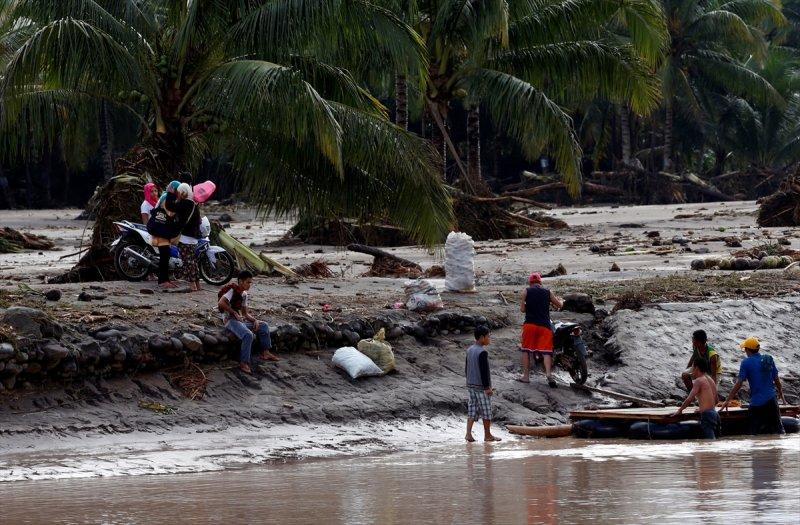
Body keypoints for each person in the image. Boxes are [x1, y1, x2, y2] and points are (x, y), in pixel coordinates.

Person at [720, 337, 786, 435]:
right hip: (771, 401)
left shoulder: (746, 362)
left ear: (747, 350)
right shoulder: (768, 359)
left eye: (745, 349)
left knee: (753, 433)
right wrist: (782, 396)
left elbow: (739, 383)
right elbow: (777, 380)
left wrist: (728, 400)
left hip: (757, 403)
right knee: (779, 432)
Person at [218, 270, 279, 374]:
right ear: (241, 281)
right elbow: (221, 302)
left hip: (239, 321)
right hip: (230, 321)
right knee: (248, 334)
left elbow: (245, 314)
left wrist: (255, 320)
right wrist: (234, 313)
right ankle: (244, 362)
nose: (250, 285)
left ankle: (265, 352)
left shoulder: (244, 294)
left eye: (251, 282)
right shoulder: (232, 291)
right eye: (248, 282)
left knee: (263, 325)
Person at [518, 272, 563, 387]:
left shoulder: (526, 291)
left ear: (530, 282)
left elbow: (522, 309)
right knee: (547, 351)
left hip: (530, 325)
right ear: (540, 282)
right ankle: (548, 374)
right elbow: (559, 305)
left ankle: (526, 377)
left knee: (526, 350)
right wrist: (561, 301)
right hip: (544, 326)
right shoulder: (548, 292)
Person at [465, 325, 500, 442]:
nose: (489, 339)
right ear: (481, 337)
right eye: (488, 337)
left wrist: (469, 380)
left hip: (470, 384)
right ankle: (487, 435)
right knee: (486, 411)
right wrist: (487, 388)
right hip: (481, 387)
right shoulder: (482, 352)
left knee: (472, 409)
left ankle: (468, 434)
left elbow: (466, 367)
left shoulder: (469, 350)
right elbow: (484, 372)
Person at [671, 359, 720, 439]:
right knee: (714, 442)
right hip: (715, 414)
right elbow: (716, 400)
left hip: (707, 415)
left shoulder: (699, 381)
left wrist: (680, 410)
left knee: (710, 442)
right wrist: (703, 408)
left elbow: (690, 399)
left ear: (696, 368)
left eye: (692, 368)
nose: (691, 371)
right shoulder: (710, 379)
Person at [171, 183, 202, 292]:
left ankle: (192, 284)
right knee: (193, 261)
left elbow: (175, 217)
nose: (177, 194)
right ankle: (198, 284)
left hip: (184, 238)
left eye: (178, 192)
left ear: (183, 192)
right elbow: (199, 221)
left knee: (187, 261)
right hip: (194, 238)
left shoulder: (182, 204)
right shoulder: (194, 205)